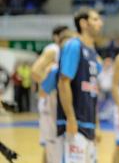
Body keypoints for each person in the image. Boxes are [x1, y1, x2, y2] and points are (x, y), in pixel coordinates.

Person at [57, 8, 103, 163]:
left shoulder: (93, 53)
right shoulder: (74, 46)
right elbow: (63, 83)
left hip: (89, 125)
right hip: (76, 125)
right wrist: (70, 118)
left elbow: (94, 92)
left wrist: (97, 125)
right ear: (83, 23)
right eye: (95, 19)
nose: (100, 23)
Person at [31, 26, 71, 163]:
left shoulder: (67, 51)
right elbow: (35, 71)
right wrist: (49, 84)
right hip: (50, 102)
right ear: (56, 37)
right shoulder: (53, 49)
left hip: (59, 102)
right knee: (52, 144)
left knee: (53, 147)